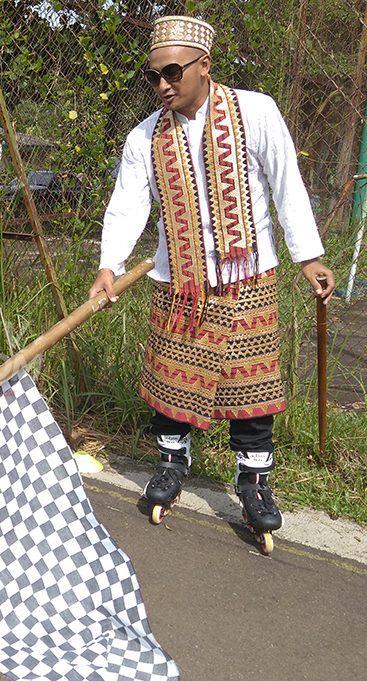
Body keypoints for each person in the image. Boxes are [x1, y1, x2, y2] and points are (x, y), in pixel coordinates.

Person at [88, 16, 334, 543]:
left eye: (172, 72)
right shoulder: (145, 136)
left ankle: (254, 482)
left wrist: (308, 256)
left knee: (253, 383)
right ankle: (172, 465)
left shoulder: (256, 111)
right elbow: (128, 206)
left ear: (204, 65)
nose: (162, 85)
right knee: (171, 381)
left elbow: (287, 181)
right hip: (177, 284)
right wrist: (109, 266)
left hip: (248, 278)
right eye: (153, 76)